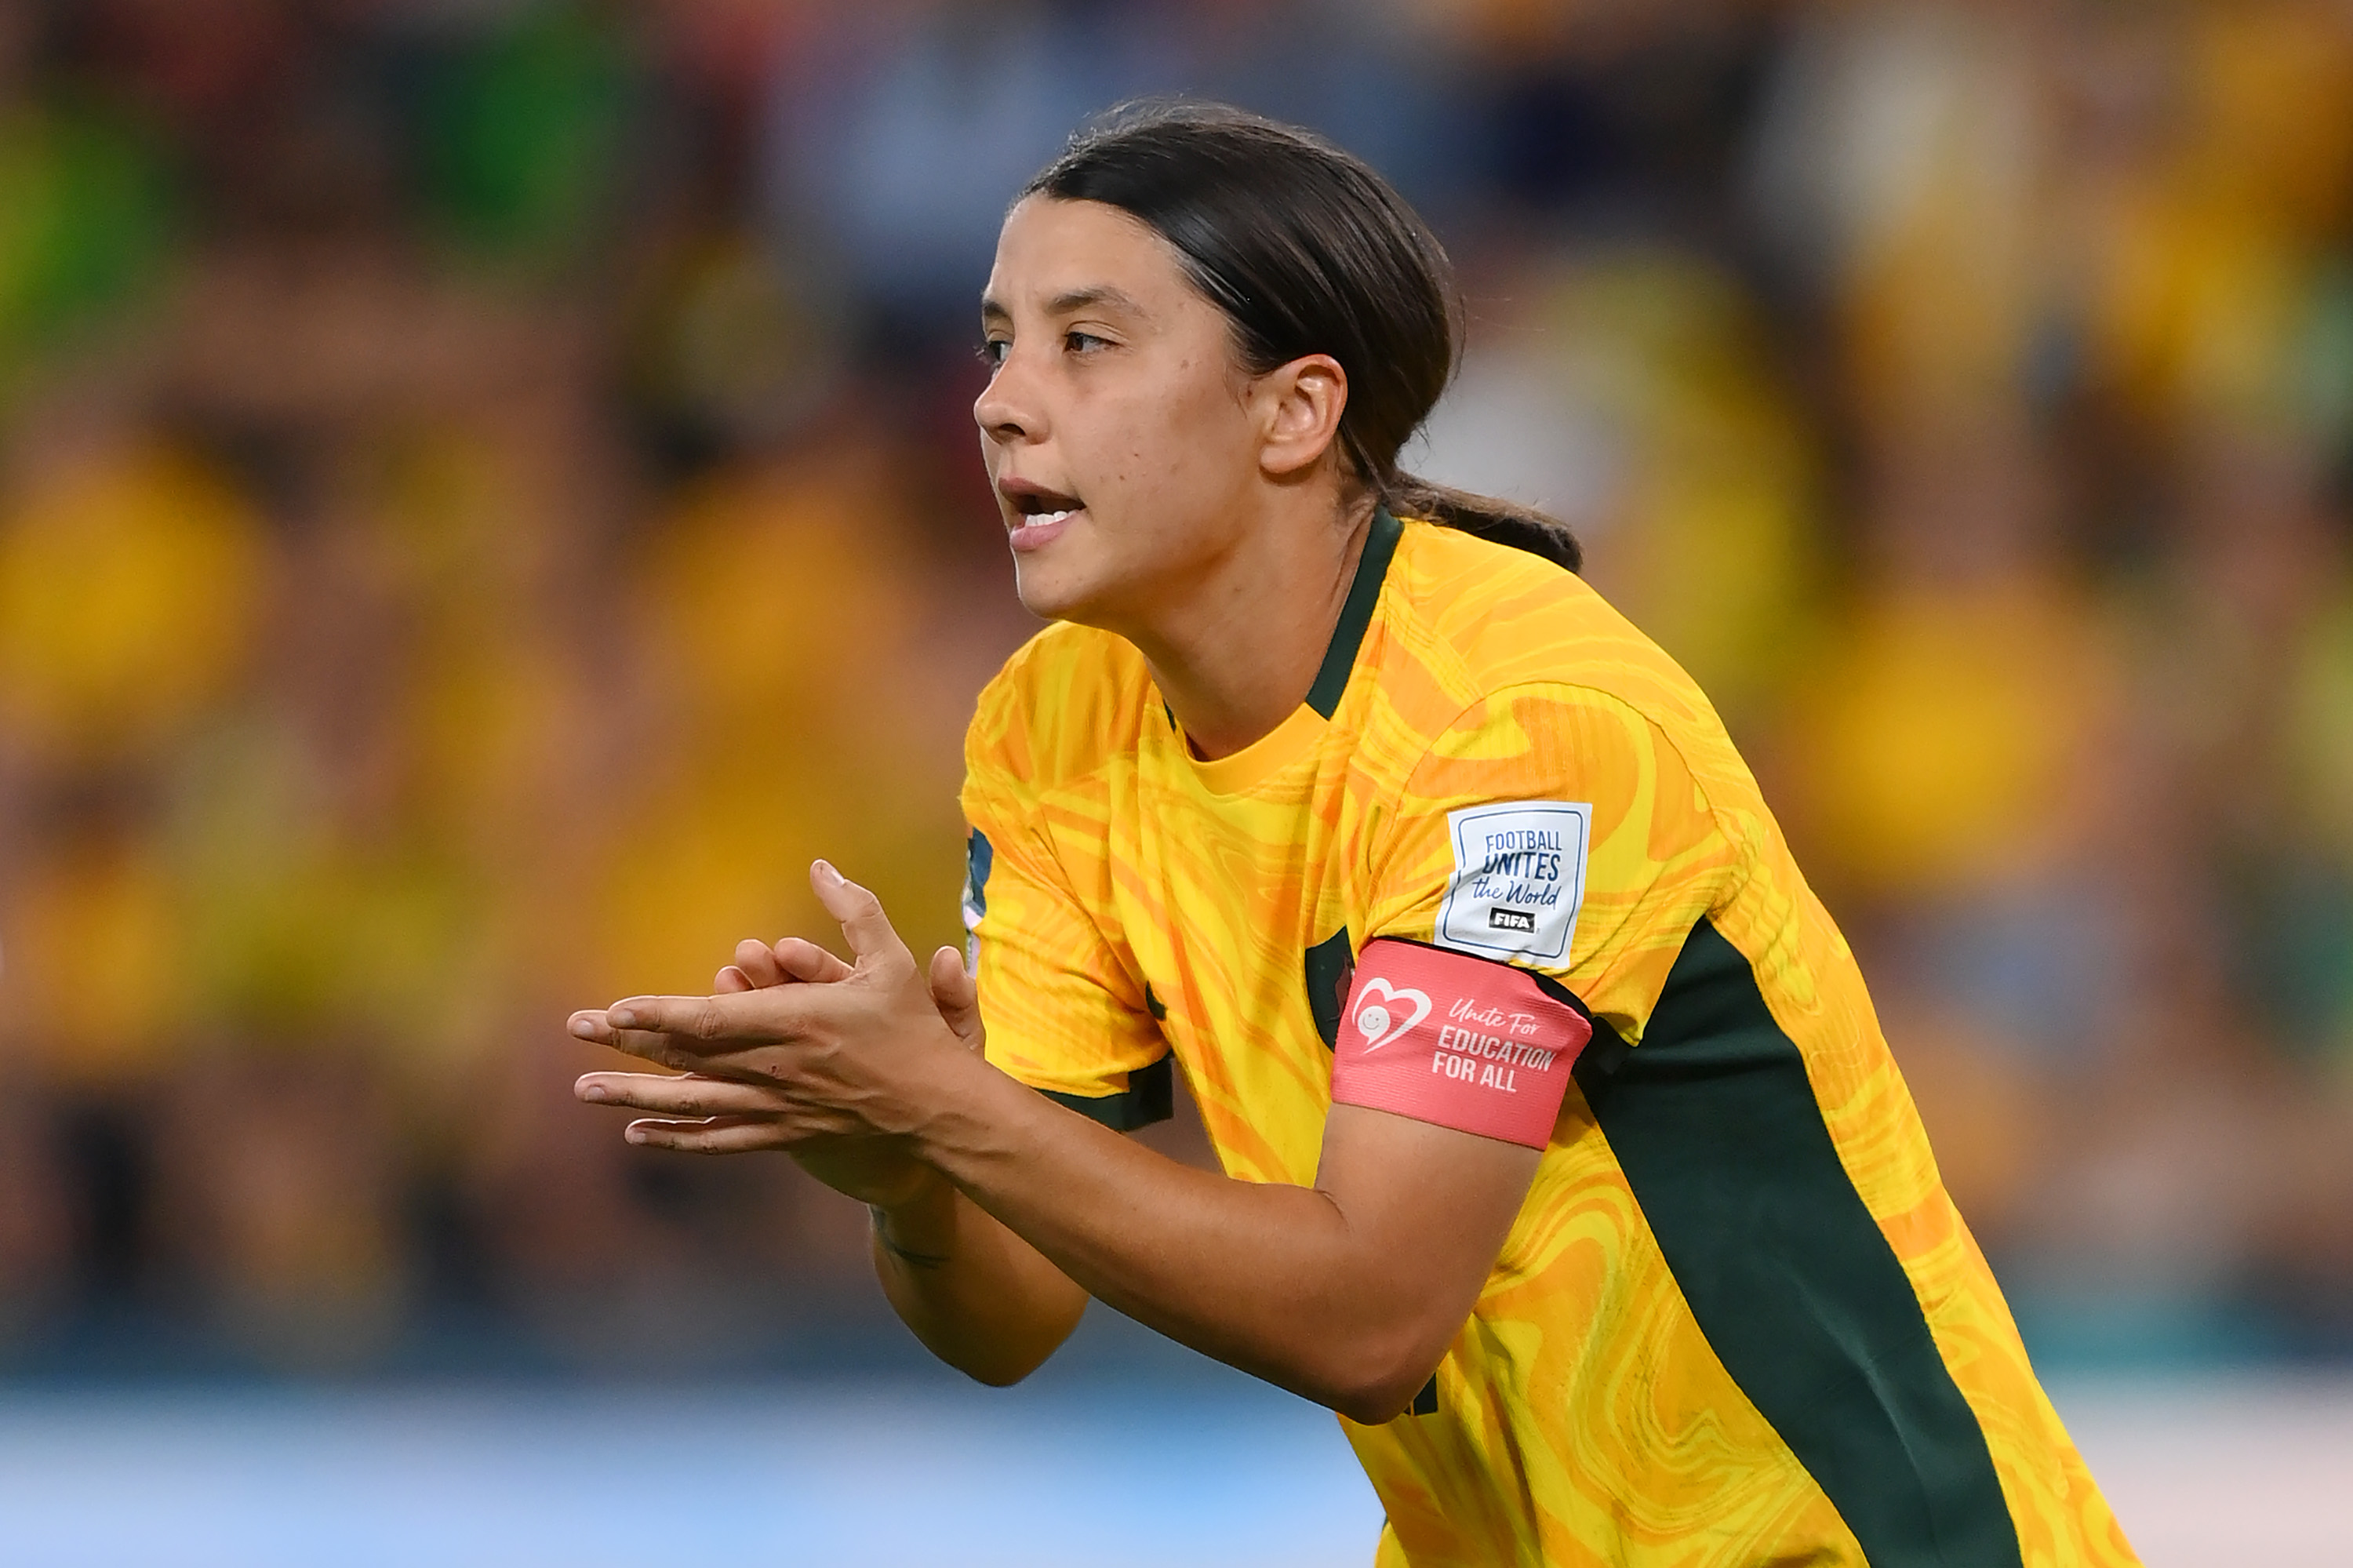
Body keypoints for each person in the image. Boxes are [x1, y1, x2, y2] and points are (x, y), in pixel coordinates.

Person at [568, 103, 2137, 1567]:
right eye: (995, 346)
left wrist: (948, 1114)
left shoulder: (1515, 724)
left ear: (1296, 408)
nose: (998, 401)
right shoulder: (1050, 730)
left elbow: (1374, 1312)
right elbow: (1017, 1307)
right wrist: (909, 1177)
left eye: (1085, 343)